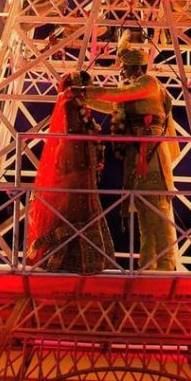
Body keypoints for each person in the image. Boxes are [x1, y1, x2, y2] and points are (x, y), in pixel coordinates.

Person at [84, 32, 179, 271]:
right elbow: (112, 103)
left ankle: (167, 267)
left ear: (133, 67)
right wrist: (82, 97)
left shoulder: (148, 83)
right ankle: (149, 267)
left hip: (152, 157)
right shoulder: (136, 88)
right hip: (139, 158)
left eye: (123, 69)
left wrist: (86, 91)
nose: (121, 74)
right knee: (147, 221)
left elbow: (119, 95)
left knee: (159, 216)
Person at [26, 70, 114, 273]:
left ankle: (82, 262)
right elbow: (76, 134)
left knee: (80, 211)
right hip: (75, 166)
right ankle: (62, 261)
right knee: (73, 211)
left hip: (81, 169)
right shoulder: (70, 105)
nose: (88, 91)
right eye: (85, 87)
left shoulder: (79, 107)